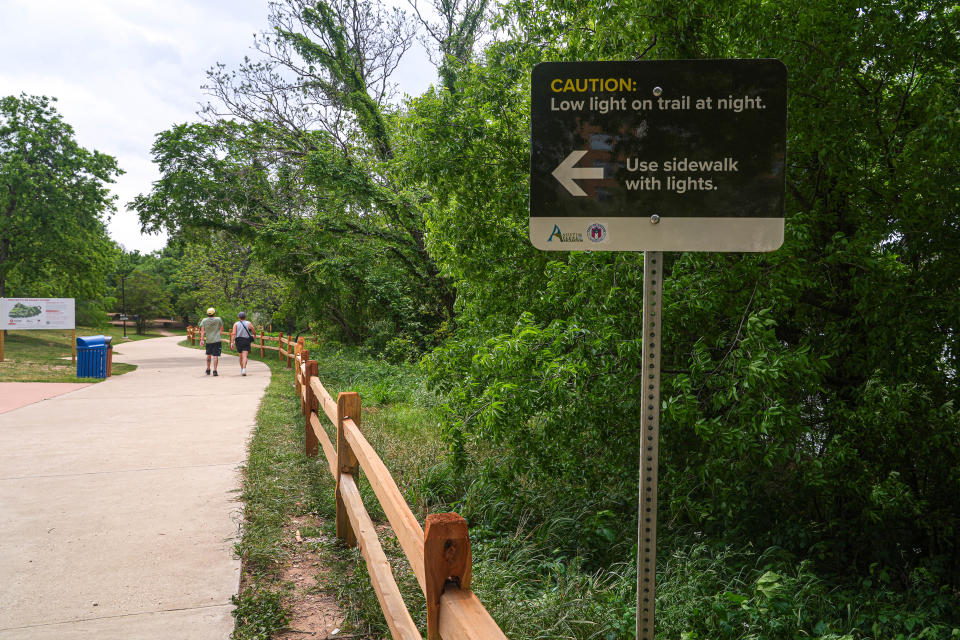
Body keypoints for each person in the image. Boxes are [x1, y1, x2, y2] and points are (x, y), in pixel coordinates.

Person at [230, 311, 257, 376]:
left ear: (239, 317)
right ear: (245, 317)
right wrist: (254, 335)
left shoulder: (236, 324)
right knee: (245, 356)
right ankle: (244, 369)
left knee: (240, 356)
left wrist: (232, 342)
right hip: (246, 340)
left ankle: (242, 369)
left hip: (238, 340)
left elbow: (233, 334)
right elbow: (253, 331)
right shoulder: (249, 323)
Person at [198, 307, 223, 376]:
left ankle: (208, 369)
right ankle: (215, 371)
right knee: (215, 355)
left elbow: (202, 331)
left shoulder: (204, 320)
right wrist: (218, 335)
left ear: (207, 314)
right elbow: (221, 328)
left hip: (209, 340)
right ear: (214, 313)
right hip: (217, 340)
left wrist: (202, 340)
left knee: (208, 355)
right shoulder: (218, 319)